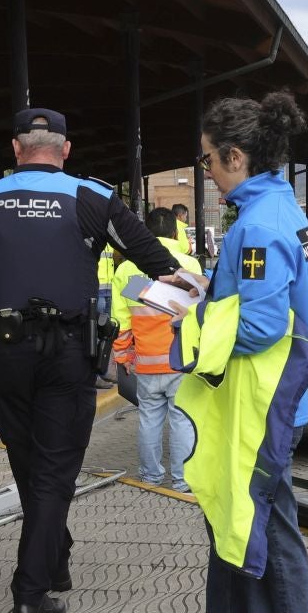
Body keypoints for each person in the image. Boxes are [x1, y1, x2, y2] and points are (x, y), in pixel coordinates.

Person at [0, 108, 182, 613]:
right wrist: (196, 301)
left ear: (15, 149)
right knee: (54, 470)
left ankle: (55, 557)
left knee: (29, 462)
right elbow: (156, 261)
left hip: (5, 352)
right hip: (66, 352)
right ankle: (30, 594)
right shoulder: (93, 197)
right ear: (66, 150)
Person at [175, 95, 308, 613]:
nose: (206, 170)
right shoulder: (277, 208)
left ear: (236, 156)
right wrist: (207, 292)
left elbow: (261, 326)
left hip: (263, 404)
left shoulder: (258, 226)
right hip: (261, 399)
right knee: (231, 509)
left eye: (208, 159)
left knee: (265, 525)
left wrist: (192, 319)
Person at [112, 207, 201, 491]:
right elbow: (200, 312)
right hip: (182, 359)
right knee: (181, 420)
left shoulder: (126, 269)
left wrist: (123, 355)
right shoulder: (189, 264)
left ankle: (150, 478)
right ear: (175, 232)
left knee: (149, 420)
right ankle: (183, 481)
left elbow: (120, 321)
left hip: (146, 361)